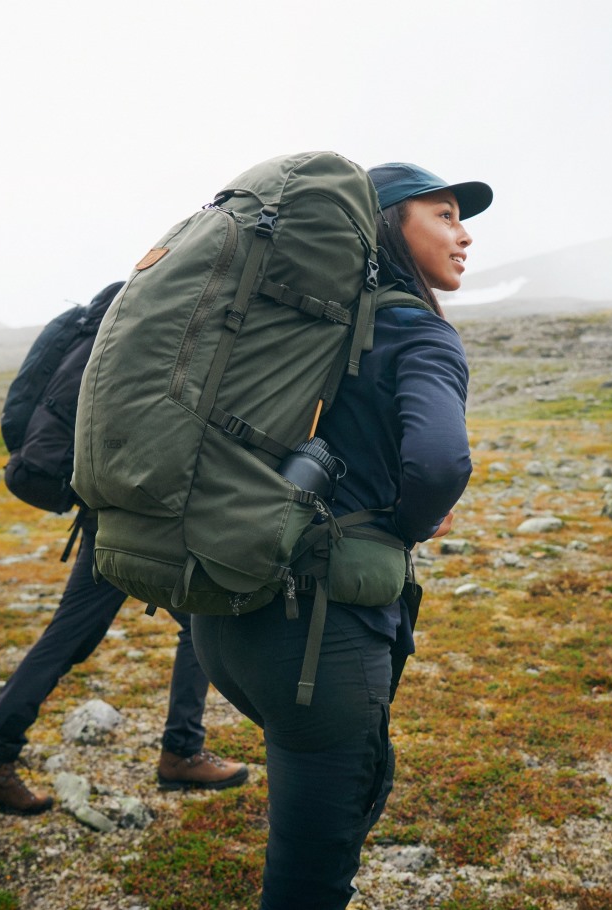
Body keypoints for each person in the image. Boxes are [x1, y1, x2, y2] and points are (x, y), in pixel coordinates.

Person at [192, 162, 492, 909]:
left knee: (332, 803)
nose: (464, 235)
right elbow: (440, 460)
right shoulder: (417, 329)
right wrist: (403, 525)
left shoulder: (297, 328)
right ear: (391, 224)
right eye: (445, 215)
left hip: (226, 620)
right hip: (321, 639)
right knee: (311, 879)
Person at [0, 497, 248, 813]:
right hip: (151, 523)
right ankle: (182, 752)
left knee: (63, 640)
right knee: (197, 625)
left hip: (104, 519)